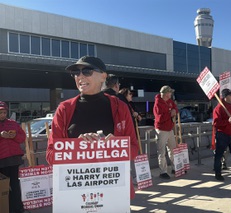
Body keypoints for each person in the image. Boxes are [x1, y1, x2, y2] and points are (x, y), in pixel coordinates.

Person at [45, 56, 139, 198]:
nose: (80, 76)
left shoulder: (120, 107)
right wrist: (77, 146)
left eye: (87, 71)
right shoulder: (64, 109)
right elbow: (51, 155)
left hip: (113, 190)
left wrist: (116, 146)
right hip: (76, 194)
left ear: (103, 77)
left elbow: (134, 149)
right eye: (76, 73)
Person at [0, 101, 26, 213]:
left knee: (15, 184)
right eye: (1, 112)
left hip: (13, 159)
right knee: (3, 186)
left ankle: (17, 208)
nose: (3, 114)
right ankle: (6, 208)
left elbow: (22, 138)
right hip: (1, 160)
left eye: (5, 112)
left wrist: (14, 135)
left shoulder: (13, 123)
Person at [153, 85, 178, 179]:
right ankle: (163, 171)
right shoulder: (158, 104)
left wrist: (174, 111)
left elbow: (175, 108)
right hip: (161, 130)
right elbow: (159, 119)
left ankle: (175, 167)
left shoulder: (170, 102)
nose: (171, 94)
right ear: (166, 93)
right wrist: (170, 113)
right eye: (170, 92)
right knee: (161, 151)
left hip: (169, 129)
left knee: (172, 149)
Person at [213, 89, 231, 181]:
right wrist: (227, 121)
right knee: (219, 155)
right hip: (223, 135)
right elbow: (216, 123)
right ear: (225, 97)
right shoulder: (219, 108)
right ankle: (218, 173)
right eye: (230, 95)